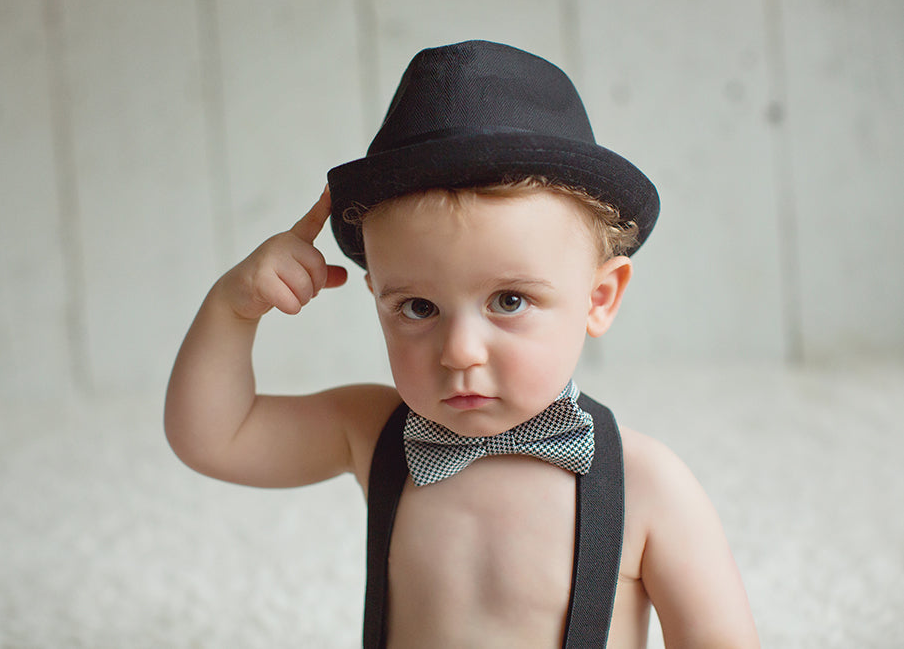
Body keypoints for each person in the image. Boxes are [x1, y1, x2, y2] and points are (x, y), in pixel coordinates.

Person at [165, 40, 758, 648]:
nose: (460, 352)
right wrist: (233, 311)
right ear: (376, 298)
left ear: (598, 299)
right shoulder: (375, 435)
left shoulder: (646, 484)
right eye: (418, 308)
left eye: (509, 301)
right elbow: (215, 437)